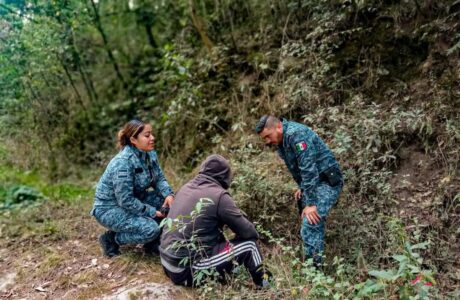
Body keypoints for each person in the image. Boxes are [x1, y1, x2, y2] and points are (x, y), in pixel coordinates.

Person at [160, 154, 271, 287]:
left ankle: (232, 277)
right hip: (186, 270)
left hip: (167, 263)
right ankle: (268, 287)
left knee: (219, 238)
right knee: (250, 246)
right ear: (225, 177)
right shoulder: (219, 195)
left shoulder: (185, 187)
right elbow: (249, 232)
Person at [255, 115, 343, 266]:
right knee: (307, 216)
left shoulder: (296, 135)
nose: (267, 141)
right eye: (265, 138)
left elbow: (308, 169)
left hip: (328, 181)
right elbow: (298, 168)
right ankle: (316, 262)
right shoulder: (282, 142)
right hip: (316, 181)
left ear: (279, 127)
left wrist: (311, 203)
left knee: (310, 221)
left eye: (268, 136)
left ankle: (315, 273)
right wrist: (303, 188)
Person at [91, 119, 174, 257]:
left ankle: (152, 244)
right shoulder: (123, 163)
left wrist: (169, 195)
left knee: (168, 203)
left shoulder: (150, 154)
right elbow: (125, 200)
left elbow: (158, 179)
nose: (152, 138)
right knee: (150, 229)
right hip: (110, 208)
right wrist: (152, 212)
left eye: (151, 134)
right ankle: (112, 239)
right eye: (147, 136)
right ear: (133, 140)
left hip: (135, 199)